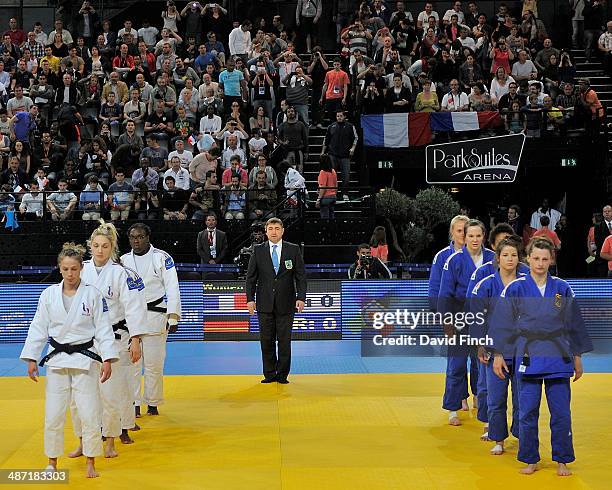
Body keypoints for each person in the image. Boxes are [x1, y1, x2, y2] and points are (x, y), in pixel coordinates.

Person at [488, 237, 593, 476]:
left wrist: (577, 356)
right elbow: (502, 322)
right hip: (527, 354)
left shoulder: (561, 288)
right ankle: (529, 458)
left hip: (558, 354)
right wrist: (498, 354)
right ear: (528, 258)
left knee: (561, 413)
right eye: (536, 258)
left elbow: (573, 322)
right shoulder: (515, 288)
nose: (540, 263)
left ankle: (562, 459)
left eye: (545, 259)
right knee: (526, 412)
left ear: (551, 260)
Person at [20, 242, 118, 478]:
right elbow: (38, 327)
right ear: (60, 269)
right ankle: (52, 461)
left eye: (74, 269)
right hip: (57, 362)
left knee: (89, 412)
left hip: (85, 361)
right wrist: (32, 358)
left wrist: (108, 359)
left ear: (80, 269)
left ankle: (91, 461)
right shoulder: (48, 295)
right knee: (53, 414)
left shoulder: (93, 294)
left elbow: (103, 329)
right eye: (65, 269)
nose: (70, 274)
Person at [68, 222, 147, 460]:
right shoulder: (80, 272)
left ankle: (110, 441)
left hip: (114, 339)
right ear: (89, 247)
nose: (100, 250)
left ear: (112, 247)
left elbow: (135, 308)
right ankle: (82, 440)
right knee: (77, 396)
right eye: (95, 246)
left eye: (104, 246)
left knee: (110, 393)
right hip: (83, 339)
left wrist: (136, 339)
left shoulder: (122, 273)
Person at [468, 237, 525, 455]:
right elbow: (476, 318)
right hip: (495, 349)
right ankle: (498, 438)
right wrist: (481, 345)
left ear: (519, 259)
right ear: (497, 259)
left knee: (522, 398)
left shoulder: (526, 283)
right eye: (505, 255)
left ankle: (521, 435)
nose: (510, 259)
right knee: (496, 397)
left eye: (514, 255)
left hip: (521, 349)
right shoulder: (486, 285)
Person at [438, 219, 495, 425]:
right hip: (459, 318)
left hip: (484, 319)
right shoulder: (453, 260)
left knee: (483, 365)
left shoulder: (492, 259)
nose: (474, 239)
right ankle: (453, 408)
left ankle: (484, 408)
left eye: (478, 235)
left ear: (484, 237)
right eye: (470, 235)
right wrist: (446, 320)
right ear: (465, 237)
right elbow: (445, 292)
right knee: (456, 365)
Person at [120, 223, 181, 417]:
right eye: (132, 237)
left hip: (155, 314)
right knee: (132, 364)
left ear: (148, 237)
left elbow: (172, 287)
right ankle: (134, 403)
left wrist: (173, 317)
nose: (136, 240)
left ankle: (153, 402)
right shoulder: (123, 260)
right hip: (131, 317)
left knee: (154, 364)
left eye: (140, 237)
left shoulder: (162, 258)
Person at [246, 218, 307, 384]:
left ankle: (282, 375)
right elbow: (251, 278)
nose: (274, 231)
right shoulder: (258, 251)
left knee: (284, 341)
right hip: (264, 303)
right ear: (266, 231)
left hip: (286, 303)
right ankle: (269, 374)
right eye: (271, 228)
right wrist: (250, 299)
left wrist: (301, 297)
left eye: (277, 228)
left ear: (282, 231)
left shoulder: (293, 250)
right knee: (266, 341)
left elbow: (300, 276)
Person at [428, 215, 470, 311]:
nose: (463, 234)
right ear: (452, 233)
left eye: (465, 231)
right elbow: (434, 286)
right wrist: (436, 311)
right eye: (459, 231)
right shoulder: (441, 257)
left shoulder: (479, 255)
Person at [321, 111, 358, 202]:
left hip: (345, 155)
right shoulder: (331, 126)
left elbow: (356, 138)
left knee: (346, 175)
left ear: (344, 116)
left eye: (341, 116)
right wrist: (322, 152)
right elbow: (326, 140)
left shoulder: (350, 126)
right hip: (332, 154)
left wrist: (353, 148)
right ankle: (333, 193)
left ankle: (345, 193)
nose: (339, 117)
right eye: (337, 116)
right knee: (332, 175)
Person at [316, 154, 337, 219]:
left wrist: (318, 199)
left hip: (326, 198)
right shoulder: (333, 171)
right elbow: (336, 185)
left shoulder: (323, 172)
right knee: (331, 217)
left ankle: (326, 228)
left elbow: (323, 187)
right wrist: (334, 194)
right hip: (333, 197)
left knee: (325, 218)